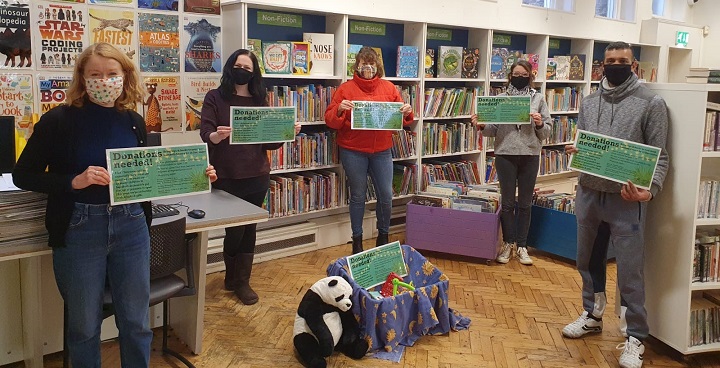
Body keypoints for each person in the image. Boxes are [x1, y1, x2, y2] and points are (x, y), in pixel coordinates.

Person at [12, 42, 217, 368]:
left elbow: (147, 172)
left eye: (111, 74)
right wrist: (72, 182)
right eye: (95, 74)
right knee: (83, 327)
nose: (103, 81)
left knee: (136, 322)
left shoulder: (134, 121)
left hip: (132, 225)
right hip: (80, 228)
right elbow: (23, 175)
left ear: (124, 77)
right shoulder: (58, 121)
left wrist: (195, 173)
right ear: (82, 77)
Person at [561, 41, 669, 368]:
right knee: (587, 261)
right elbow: (585, 143)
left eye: (623, 60)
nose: (616, 65)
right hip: (590, 195)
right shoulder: (590, 101)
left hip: (626, 201)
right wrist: (575, 151)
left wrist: (649, 191)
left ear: (633, 65)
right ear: (602, 64)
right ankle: (592, 315)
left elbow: (660, 157)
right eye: (611, 60)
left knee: (629, 270)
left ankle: (635, 335)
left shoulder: (652, 103)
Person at [200, 49, 301, 305]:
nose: (242, 70)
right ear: (229, 68)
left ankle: (241, 281)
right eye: (238, 65)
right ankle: (232, 279)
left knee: (249, 229)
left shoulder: (259, 100)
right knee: (234, 230)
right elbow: (206, 133)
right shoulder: (215, 98)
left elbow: (269, 145)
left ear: (254, 72)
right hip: (227, 176)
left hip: (256, 175)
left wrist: (287, 132)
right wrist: (217, 136)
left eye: (247, 67)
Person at [324, 46, 414, 255]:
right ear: (357, 65)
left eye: (372, 64)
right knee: (357, 195)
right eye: (364, 64)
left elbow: (402, 118)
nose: (368, 68)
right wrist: (338, 109)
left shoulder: (389, 88)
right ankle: (357, 240)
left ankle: (383, 235)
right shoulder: (345, 89)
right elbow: (331, 121)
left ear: (377, 66)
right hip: (353, 150)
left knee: (385, 194)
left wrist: (408, 112)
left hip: (382, 150)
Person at [471, 59, 551, 266]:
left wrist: (540, 123)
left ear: (531, 77)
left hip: (530, 155)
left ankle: (522, 246)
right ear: (510, 76)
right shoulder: (500, 99)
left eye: (524, 75)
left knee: (525, 204)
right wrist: (480, 126)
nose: (520, 78)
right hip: (505, 154)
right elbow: (492, 130)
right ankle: (508, 243)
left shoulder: (539, 99)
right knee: (507, 203)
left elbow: (547, 133)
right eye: (516, 74)